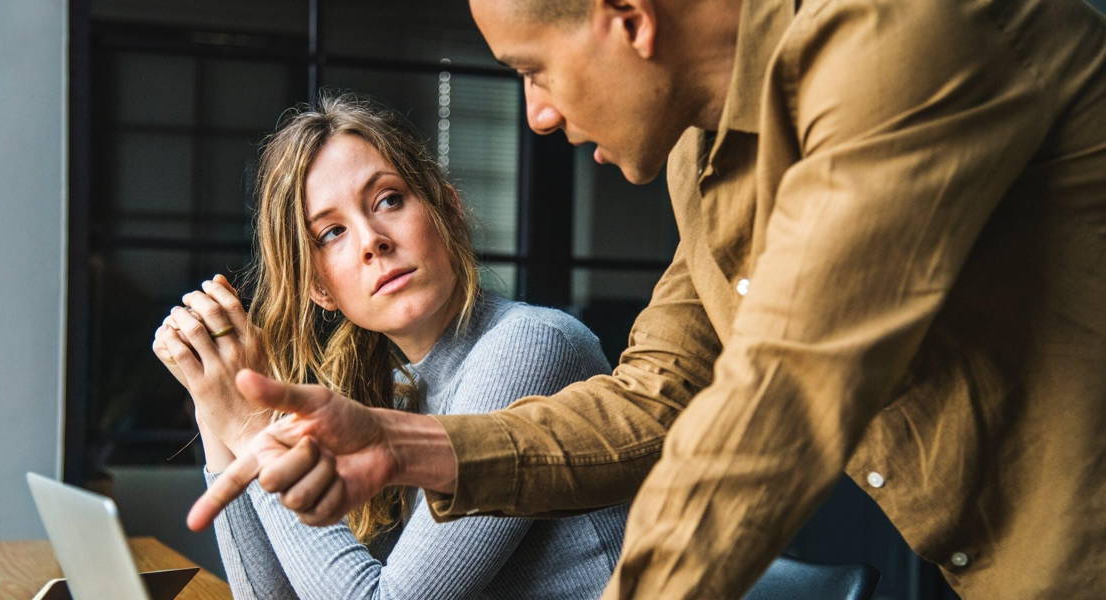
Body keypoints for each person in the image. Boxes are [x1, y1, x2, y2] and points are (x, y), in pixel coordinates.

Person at [191, 0, 1106, 598]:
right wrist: (395, 444)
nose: (538, 115)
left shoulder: (902, 34)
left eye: (532, 70)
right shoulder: (699, 155)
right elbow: (655, 399)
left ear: (625, 16)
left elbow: (780, 400)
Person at [156, 94, 628, 599]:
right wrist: (214, 400)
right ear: (320, 289)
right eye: (332, 232)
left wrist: (252, 427)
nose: (370, 240)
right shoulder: (397, 390)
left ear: (448, 209)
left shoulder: (531, 346)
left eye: (388, 200)